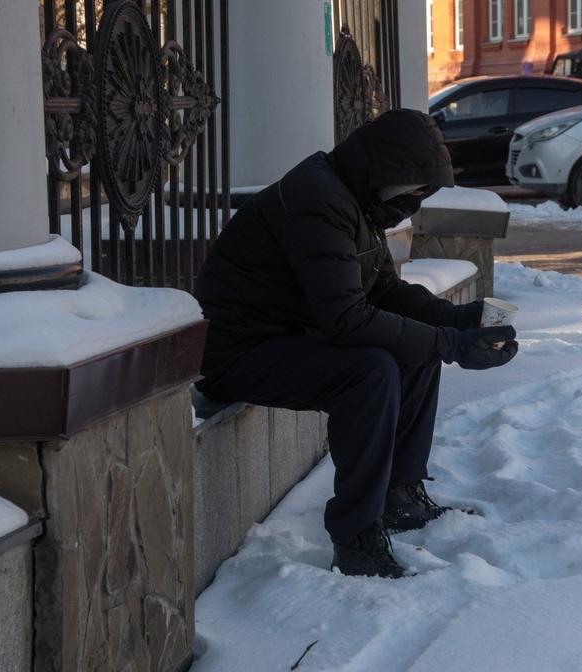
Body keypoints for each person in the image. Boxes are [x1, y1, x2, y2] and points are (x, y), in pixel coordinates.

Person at [194, 109, 519, 578]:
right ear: (387, 172)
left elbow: (382, 290)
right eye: (415, 189)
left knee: (414, 350)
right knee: (372, 370)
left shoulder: (353, 197)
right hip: (238, 351)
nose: (416, 201)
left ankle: (400, 495)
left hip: (289, 335)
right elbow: (347, 320)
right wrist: (450, 343)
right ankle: (357, 539)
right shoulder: (319, 200)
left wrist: (456, 319)